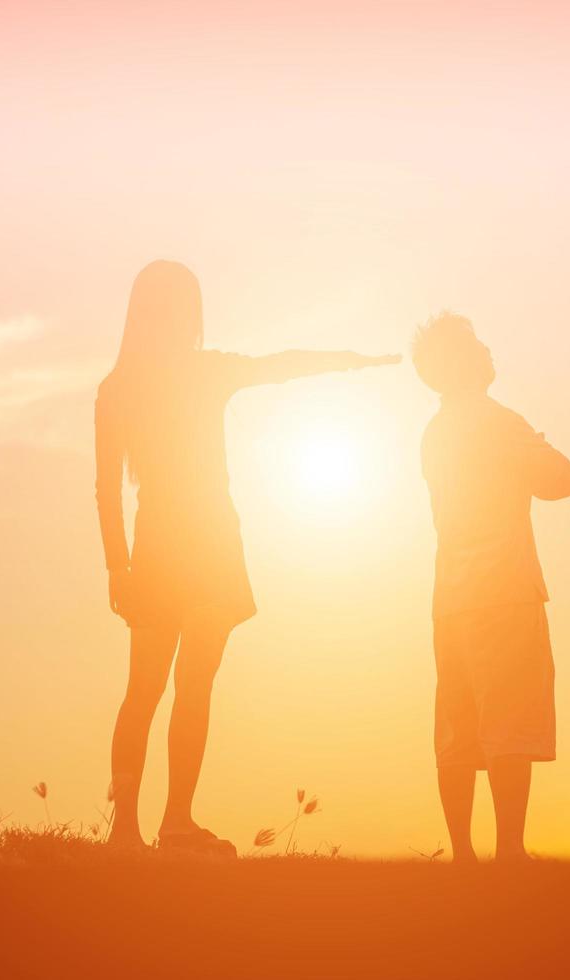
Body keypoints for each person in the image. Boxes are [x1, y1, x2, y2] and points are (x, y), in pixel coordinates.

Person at [95, 260, 399, 855]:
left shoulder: (137, 383)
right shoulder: (170, 378)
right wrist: (118, 564)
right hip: (189, 545)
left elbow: (279, 367)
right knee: (169, 689)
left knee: (164, 688)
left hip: (177, 545)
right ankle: (153, 826)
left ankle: (151, 827)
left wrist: (118, 563)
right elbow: (278, 367)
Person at [411, 311, 570, 864]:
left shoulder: (435, 432)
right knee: (509, 723)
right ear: (462, 362)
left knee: (458, 726)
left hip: (451, 595)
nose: (486, 352)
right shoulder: (497, 421)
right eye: (476, 345)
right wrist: (539, 447)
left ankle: (462, 855)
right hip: (504, 588)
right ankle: (510, 852)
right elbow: (561, 480)